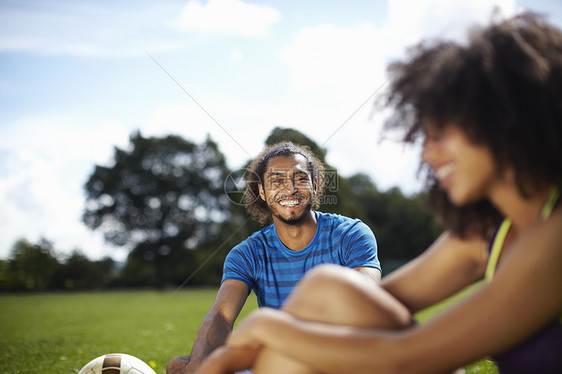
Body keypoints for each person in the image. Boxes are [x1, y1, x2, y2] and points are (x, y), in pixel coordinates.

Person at [195, 12, 562, 374]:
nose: (427, 154)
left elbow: (406, 356)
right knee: (325, 288)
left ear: (505, 119)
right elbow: (349, 304)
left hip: (404, 358)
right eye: (425, 136)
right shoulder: (488, 234)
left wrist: (262, 329)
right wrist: (234, 355)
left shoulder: (554, 236)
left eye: (441, 134)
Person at [167, 141, 385, 374]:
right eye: (277, 181)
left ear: (315, 184)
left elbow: (366, 305)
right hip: (281, 362)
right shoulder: (247, 254)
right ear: (262, 191)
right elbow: (221, 314)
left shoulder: (351, 234)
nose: (289, 189)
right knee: (182, 366)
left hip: (344, 359)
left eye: (300, 179)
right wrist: (200, 364)